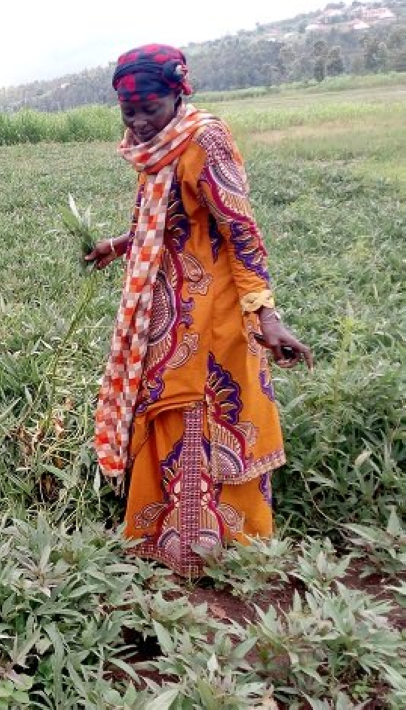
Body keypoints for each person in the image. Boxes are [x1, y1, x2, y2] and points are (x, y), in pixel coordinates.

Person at [85, 44, 312, 578]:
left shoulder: (204, 141)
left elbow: (242, 232)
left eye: (150, 110)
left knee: (205, 415)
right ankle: (168, 536)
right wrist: (118, 245)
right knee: (166, 410)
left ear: (178, 95)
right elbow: (168, 219)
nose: (139, 123)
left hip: (215, 317)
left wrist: (267, 315)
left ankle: (222, 548)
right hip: (166, 307)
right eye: (129, 113)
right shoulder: (157, 147)